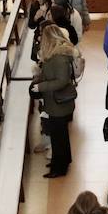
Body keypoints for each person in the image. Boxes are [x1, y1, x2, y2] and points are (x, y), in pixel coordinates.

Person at [34, 24, 80, 178]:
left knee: (58, 136)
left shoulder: (59, 58)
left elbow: (61, 81)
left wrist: (41, 87)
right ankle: (61, 161)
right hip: (55, 102)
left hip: (58, 103)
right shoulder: (55, 54)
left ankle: (59, 168)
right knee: (59, 135)